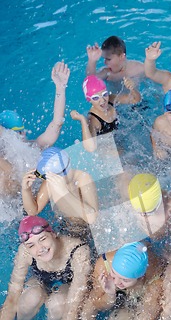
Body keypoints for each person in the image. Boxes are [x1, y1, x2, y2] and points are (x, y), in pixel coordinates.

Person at [0, 62, 70, 197]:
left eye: (21, 132)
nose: (22, 136)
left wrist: (60, 88)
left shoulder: (31, 148)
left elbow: (56, 124)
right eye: (16, 134)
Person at [21, 147, 98, 230]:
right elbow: (32, 211)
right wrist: (26, 190)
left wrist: (65, 192)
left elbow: (92, 218)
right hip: (64, 225)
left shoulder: (83, 178)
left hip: (87, 228)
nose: (48, 180)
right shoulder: (50, 183)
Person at [70, 75, 141, 152]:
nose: (103, 100)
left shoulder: (111, 99)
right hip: (106, 150)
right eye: (96, 98)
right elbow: (91, 148)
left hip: (118, 140)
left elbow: (135, 99)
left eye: (104, 94)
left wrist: (132, 89)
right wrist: (83, 120)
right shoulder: (93, 120)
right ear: (89, 99)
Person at [127, 173, 171, 242]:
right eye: (142, 213)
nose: (145, 215)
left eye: (149, 212)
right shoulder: (128, 192)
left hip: (161, 234)